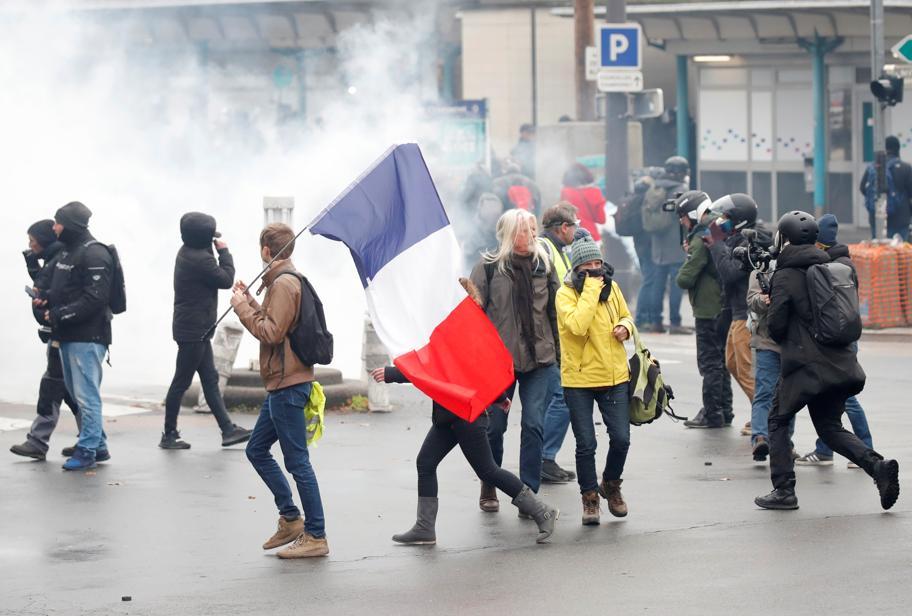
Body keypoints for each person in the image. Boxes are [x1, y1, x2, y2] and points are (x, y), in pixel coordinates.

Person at [369, 280, 558, 546]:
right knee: (426, 463)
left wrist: (392, 374)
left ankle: (542, 511)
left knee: (489, 470)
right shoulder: (463, 326)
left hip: (465, 414)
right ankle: (425, 528)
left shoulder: (459, 328)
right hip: (450, 414)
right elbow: (476, 368)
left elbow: (433, 365)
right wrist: (498, 397)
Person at [755, 211, 900, 511]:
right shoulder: (831, 268)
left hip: (805, 366)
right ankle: (878, 467)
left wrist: (770, 304)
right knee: (830, 427)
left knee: (778, 419)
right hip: (839, 363)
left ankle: (784, 490)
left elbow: (777, 328)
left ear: (785, 238)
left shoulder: (786, 274)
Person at [230, 223, 328, 559]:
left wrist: (241, 308)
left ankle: (316, 535)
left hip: (289, 385)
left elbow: (270, 333)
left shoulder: (285, 284)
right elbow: (277, 324)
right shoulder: (281, 283)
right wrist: (252, 301)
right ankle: (290, 518)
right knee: (256, 450)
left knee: (298, 462)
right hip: (281, 384)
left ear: (266, 251)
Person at [469, 209, 559, 513]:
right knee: (494, 428)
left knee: (534, 425)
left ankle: (528, 495)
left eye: (534, 229)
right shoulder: (489, 268)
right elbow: (473, 316)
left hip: (540, 359)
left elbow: (555, 312)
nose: (532, 236)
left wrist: (558, 354)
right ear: (508, 234)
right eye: (524, 230)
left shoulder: (544, 265)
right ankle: (489, 482)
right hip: (499, 364)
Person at [556, 236, 634, 525]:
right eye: (587, 265)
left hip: (614, 375)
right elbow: (577, 325)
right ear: (576, 268)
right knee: (586, 443)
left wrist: (625, 327)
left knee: (622, 439)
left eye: (598, 263)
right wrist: (590, 288)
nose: (595, 269)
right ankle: (590, 498)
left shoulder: (612, 288)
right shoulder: (565, 294)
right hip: (579, 380)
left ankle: (611, 485)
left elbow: (627, 316)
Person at [160, 213, 251, 450]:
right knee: (181, 381)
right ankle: (168, 434)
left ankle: (228, 430)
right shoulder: (200, 259)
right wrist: (224, 251)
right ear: (204, 238)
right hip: (194, 331)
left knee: (210, 380)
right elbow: (225, 278)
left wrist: (210, 247)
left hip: (194, 328)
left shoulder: (188, 252)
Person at [795, 214, 876, 468]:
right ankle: (825, 449)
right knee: (829, 396)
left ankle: (865, 447)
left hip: (837, 338)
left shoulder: (835, 265)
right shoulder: (843, 262)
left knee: (845, 398)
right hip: (842, 335)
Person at [41, 202, 115, 471]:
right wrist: (45, 300)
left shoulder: (94, 253)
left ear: (70, 225)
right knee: (75, 393)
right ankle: (98, 444)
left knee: (86, 395)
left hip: (88, 337)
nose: (54, 227)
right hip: (70, 335)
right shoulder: (68, 252)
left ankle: (87, 450)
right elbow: (63, 289)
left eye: (58, 222)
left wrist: (60, 315)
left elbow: (96, 298)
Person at [9, 220, 82, 461]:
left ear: (44, 240)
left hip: (62, 333)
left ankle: (38, 442)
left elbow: (47, 291)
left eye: (32, 240)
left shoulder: (59, 259)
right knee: (70, 389)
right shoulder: (58, 257)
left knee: (51, 385)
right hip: (61, 332)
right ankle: (93, 439)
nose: (30, 245)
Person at [673, 192, 732, 429]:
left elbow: (685, 278)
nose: (681, 222)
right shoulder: (720, 227)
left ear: (693, 213)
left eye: (682, 216)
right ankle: (725, 410)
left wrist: (688, 259)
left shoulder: (701, 236)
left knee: (709, 362)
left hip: (708, 309)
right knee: (721, 361)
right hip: (724, 305)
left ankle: (711, 413)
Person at [704, 193, 759, 431]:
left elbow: (730, 273)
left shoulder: (748, 243)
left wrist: (716, 245)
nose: (721, 221)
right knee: (732, 364)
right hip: (736, 313)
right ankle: (761, 412)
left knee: (746, 369)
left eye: (726, 217)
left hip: (745, 315)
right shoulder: (734, 240)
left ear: (739, 220)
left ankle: (765, 416)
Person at [539, 202, 579, 483]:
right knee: (563, 397)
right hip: (549, 337)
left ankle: (543, 457)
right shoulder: (544, 251)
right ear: (563, 228)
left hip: (556, 335)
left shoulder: (556, 249)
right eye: (574, 225)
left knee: (554, 399)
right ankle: (544, 457)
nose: (576, 231)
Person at [640, 156, 690, 334]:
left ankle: (656, 322)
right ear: (681, 172)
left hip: (657, 243)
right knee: (676, 283)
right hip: (675, 243)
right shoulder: (680, 189)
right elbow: (685, 215)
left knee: (657, 284)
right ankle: (675, 322)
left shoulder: (654, 186)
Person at [860, 135, 912, 240]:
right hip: (900, 217)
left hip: (878, 216)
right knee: (899, 252)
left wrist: (876, 199)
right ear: (898, 149)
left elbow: (862, 188)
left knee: (879, 251)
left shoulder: (873, 167)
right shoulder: (906, 168)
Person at [560, 163, 606, 242]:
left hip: (571, 237)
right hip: (592, 237)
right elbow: (602, 219)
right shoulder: (595, 192)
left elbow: (562, 216)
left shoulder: (566, 192)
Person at [460, 192, 504, 273]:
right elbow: (467, 259)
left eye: (497, 211)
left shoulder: (502, 233)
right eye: (490, 209)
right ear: (480, 210)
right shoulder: (470, 232)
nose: (494, 213)